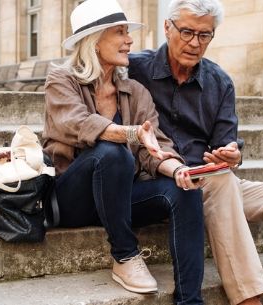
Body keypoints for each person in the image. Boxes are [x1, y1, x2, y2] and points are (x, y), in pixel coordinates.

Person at [128, 1, 263, 305]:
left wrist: (232, 155)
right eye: (187, 32)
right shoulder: (136, 68)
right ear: (167, 27)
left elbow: (227, 145)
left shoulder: (219, 82)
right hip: (160, 181)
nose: (195, 43)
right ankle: (248, 297)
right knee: (220, 181)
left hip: (209, 181)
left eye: (205, 35)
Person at [42, 0, 206, 304]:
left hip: (121, 196)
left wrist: (178, 170)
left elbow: (155, 144)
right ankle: (125, 254)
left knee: (185, 191)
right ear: (94, 40)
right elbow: (76, 123)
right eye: (120, 32)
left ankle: (190, 300)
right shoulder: (61, 80)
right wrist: (130, 134)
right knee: (113, 152)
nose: (129, 40)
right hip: (74, 198)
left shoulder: (135, 91)